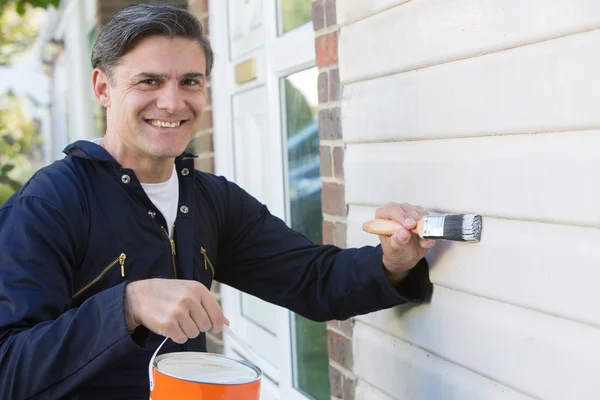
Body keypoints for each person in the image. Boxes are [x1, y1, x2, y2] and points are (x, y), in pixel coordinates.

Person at [0, 3, 436, 399]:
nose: (171, 102)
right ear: (103, 87)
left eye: (190, 81)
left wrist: (393, 261)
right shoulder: (51, 202)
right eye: (149, 81)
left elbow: (313, 280)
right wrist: (127, 306)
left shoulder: (209, 199)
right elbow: (9, 368)